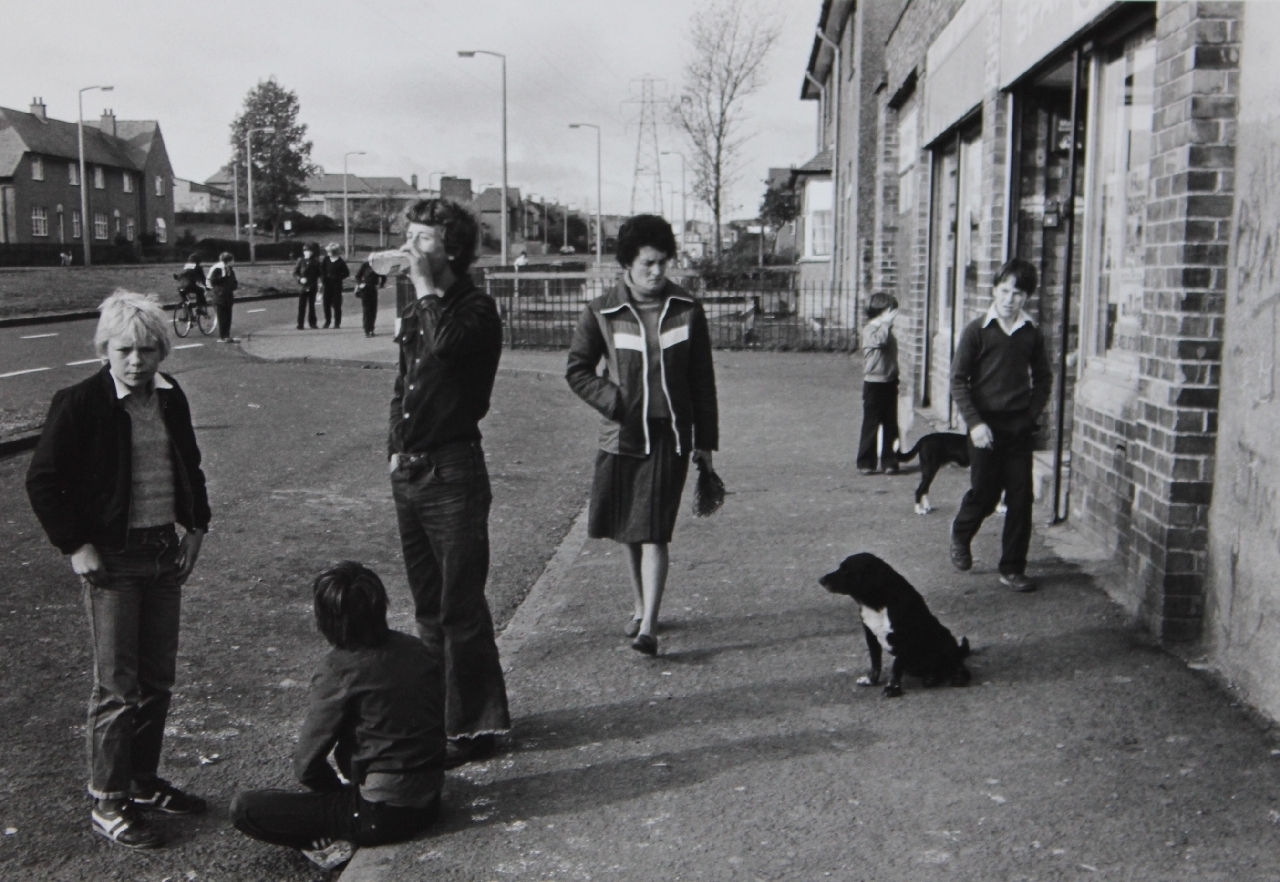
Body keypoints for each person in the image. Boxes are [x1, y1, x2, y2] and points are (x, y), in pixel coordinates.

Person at [25, 290, 211, 850]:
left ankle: (142, 781)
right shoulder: (80, 402)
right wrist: (76, 546)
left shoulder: (170, 398)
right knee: (117, 687)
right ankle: (108, 802)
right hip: (112, 560)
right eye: (125, 349)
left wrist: (196, 528)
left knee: (157, 682)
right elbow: (43, 480)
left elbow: (190, 464)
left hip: (162, 552)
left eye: (149, 349)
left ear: (162, 352)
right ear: (105, 348)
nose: (137, 360)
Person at [387, 198, 509, 768]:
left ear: (453, 249)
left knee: (460, 607)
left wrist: (424, 290)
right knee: (427, 608)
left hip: (454, 471)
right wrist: (393, 449)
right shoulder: (418, 306)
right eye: (408, 237)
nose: (413, 249)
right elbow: (405, 381)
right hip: (411, 470)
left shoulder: (475, 309)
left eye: (425, 239)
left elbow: (447, 348)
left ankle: (475, 728)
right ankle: (442, 720)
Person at [565, 213, 719, 658]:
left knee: (655, 531)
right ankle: (639, 604)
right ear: (627, 264)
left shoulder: (687, 309)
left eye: (662, 263)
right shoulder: (601, 312)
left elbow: (702, 381)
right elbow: (577, 370)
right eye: (648, 263)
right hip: (622, 439)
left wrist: (705, 445)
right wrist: (614, 401)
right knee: (630, 530)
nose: (657, 272)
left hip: (670, 438)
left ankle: (649, 625)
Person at [230, 562, 444, 871]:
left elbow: (307, 764)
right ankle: (343, 814)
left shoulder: (338, 669)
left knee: (245, 808)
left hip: (380, 814)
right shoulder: (416, 649)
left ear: (327, 620)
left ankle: (333, 834)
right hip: (429, 800)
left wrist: (332, 796)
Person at [949, 258, 1053, 593]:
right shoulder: (977, 331)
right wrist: (975, 424)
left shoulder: (1031, 334)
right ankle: (961, 533)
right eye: (1004, 290)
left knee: (1021, 497)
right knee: (985, 494)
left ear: (1026, 297)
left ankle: (1012, 567)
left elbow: (1044, 378)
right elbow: (958, 381)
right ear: (995, 290)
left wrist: (1031, 415)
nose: (1010, 299)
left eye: (1018, 293)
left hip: (1018, 426)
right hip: (985, 426)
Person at [856, 292, 900, 475]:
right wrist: (886, 323)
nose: (894, 316)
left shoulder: (885, 329)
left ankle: (890, 460)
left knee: (890, 423)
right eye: (892, 311)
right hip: (874, 383)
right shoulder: (870, 330)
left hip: (889, 381)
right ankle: (866, 461)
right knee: (871, 422)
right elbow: (880, 342)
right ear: (883, 312)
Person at [206, 251, 238, 343]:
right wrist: (223, 280)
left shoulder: (230, 270)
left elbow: (234, 281)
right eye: (232, 260)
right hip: (219, 296)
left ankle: (227, 336)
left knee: (228, 317)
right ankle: (222, 336)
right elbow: (213, 281)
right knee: (222, 317)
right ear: (228, 261)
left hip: (228, 296)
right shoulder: (218, 269)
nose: (234, 262)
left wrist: (233, 285)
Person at [320, 242, 350, 329]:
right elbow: (322, 270)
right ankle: (327, 321)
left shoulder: (340, 262)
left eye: (330, 251)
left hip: (336, 286)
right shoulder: (326, 259)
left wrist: (337, 277)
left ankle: (337, 323)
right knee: (326, 304)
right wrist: (323, 278)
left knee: (337, 305)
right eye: (327, 251)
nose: (328, 253)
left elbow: (346, 273)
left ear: (334, 252)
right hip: (327, 285)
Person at [354, 259, 386, 337]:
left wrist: (381, 284)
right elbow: (357, 276)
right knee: (366, 309)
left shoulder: (378, 266)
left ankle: (371, 329)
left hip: (373, 289)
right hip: (365, 289)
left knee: (373, 310)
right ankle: (367, 330)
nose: (372, 262)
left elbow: (383, 276)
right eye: (371, 261)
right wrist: (360, 283)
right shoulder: (365, 265)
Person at [293, 243, 321, 330]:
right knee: (301, 306)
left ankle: (313, 323)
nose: (307, 253)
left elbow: (320, 274)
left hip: (312, 285)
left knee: (312, 306)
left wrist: (320, 284)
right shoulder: (300, 261)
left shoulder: (316, 262)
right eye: (305, 251)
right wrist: (299, 279)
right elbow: (295, 272)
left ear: (312, 252)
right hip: (303, 287)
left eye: (309, 251)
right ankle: (300, 324)